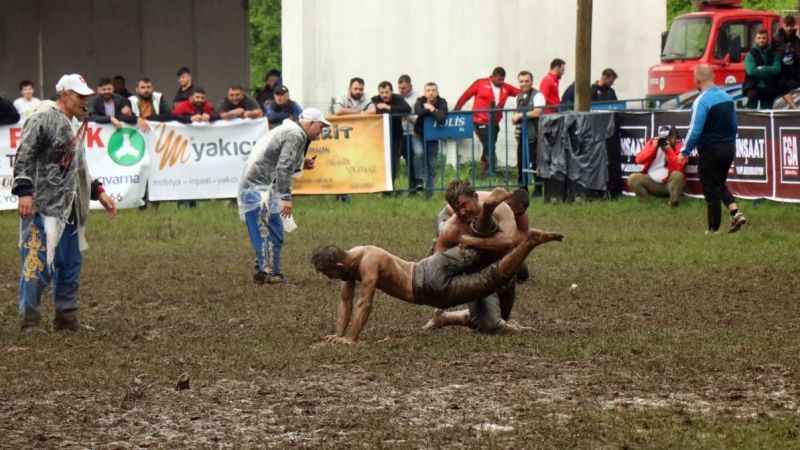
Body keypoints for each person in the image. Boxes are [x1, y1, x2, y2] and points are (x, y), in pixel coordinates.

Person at [311, 227, 562, 344]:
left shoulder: (367, 265)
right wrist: (339, 334)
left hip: (429, 288)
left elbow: (364, 302)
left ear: (340, 267)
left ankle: (527, 244)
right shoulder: (355, 254)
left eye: (328, 274)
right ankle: (517, 241)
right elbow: (345, 300)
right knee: (474, 253)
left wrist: (351, 339)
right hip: (430, 265)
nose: (329, 279)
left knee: (488, 280)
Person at [11, 73, 118, 332]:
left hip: (70, 206)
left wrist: (98, 191)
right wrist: (25, 190)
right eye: (80, 96)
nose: (85, 102)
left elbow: (77, 166)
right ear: (65, 95)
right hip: (43, 204)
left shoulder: (72, 123)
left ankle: (66, 316)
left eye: (86, 97)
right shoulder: (42, 117)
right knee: (37, 262)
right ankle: (30, 320)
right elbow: (24, 153)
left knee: (69, 263)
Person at [238, 108, 330, 284]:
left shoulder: (292, 131)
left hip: (256, 187)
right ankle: (271, 273)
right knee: (272, 230)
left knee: (268, 230)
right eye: (320, 126)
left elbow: (278, 159)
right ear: (310, 124)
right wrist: (285, 198)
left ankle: (265, 271)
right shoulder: (296, 135)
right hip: (259, 188)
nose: (321, 131)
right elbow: (283, 167)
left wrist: (302, 163)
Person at [425, 187, 533, 334]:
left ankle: (446, 318)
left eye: (519, 213)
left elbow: (514, 240)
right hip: (449, 221)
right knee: (474, 257)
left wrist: (477, 242)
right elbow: (456, 218)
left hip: (483, 239)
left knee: (500, 316)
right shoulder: (461, 213)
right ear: (506, 202)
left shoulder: (514, 214)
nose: (516, 214)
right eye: (514, 211)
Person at [679, 65, 747, 234]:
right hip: (729, 148)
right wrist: (730, 142)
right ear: (713, 77)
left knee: (710, 188)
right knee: (719, 184)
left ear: (697, 80)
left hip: (710, 149)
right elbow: (734, 124)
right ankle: (735, 212)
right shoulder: (727, 98)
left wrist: (684, 151)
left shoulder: (702, 101)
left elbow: (695, 130)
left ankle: (713, 229)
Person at [454, 67, 521, 177]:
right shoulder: (480, 83)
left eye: (503, 80)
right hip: (479, 120)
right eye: (499, 79)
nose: (501, 82)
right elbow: (466, 95)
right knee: (489, 144)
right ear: (492, 76)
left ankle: (485, 169)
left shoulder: (505, 87)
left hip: (494, 122)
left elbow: (519, 93)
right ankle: (491, 171)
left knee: (490, 144)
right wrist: (457, 109)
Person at [628, 126, 687, 206]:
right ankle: (646, 202)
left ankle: (673, 202)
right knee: (633, 178)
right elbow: (638, 160)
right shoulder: (652, 143)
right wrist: (653, 148)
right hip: (652, 183)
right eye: (664, 137)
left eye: (670, 137)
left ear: (676, 137)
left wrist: (669, 150)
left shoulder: (681, 147)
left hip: (669, 185)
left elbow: (679, 167)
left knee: (678, 175)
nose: (667, 139)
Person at [371, 81, 412, 190]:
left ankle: (390, 187)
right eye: (382, 92)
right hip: (379, 136)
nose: (384, 95)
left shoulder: (398, 98)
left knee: (393, 163)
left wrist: (387, 107)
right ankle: (380, 187)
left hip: (395, 136)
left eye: (387, 92)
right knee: (381, 163)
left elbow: (407, 109)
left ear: (391, 91)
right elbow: (368, 110)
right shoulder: (374, 99)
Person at [511, 71, 545, 193]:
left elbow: (538, 112)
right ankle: (522, 188)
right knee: (521, 162)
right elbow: (516, 114)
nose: (524, 84)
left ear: (531, 81)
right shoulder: (518, 97)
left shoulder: (538, 95)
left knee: (534, 162)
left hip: (534, 134)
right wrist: (515, 118)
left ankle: (538, 188)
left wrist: (520, 115)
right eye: (521, 81)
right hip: (522, 134)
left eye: (527, 81)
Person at [413, 82, 448, 197]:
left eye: (433, 90)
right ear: (425, 92)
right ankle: (419, 180)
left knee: (432, 164)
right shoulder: (420, 100)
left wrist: (431, 108)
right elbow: (418, 111)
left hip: (433, 137)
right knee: (419, 153)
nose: (431, 93)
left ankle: (429, 192)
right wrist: (429, 110)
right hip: (418, 135)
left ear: (437, 92)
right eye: (428, 90)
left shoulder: (442, 102)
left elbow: (442, 118)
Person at [743, 28, 781, 109]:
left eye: (764, 38)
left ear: (767, 39)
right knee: (750, 114)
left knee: (767, 115)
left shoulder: (774, 53)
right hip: (753, 87)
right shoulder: (750, 54)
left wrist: (763, 68)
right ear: (755, 39)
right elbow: (751, 71)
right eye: (759, 38)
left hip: (769, 88)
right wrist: (770, 72)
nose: (761, 40)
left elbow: (777, 70)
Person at [398, 75, 423, 192]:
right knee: (407, 159)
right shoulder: (397, 98)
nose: (401, 90)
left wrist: (406, 116)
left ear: (410, 86)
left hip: (413, 132)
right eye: (400, 88)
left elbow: (418, 118)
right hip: (400, 133)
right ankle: (411, 186)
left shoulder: (418, 98)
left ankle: (418, 181)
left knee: (416, 155)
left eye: (404, 88)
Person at [774, 15, 800, 109]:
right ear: (783, 25)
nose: (789, 28)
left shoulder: (796, 40)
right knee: (781, 84)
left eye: (791, 25)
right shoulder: (776, 39)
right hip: (782, 73)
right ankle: (794, 108)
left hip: (794, 72)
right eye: (787, 25)